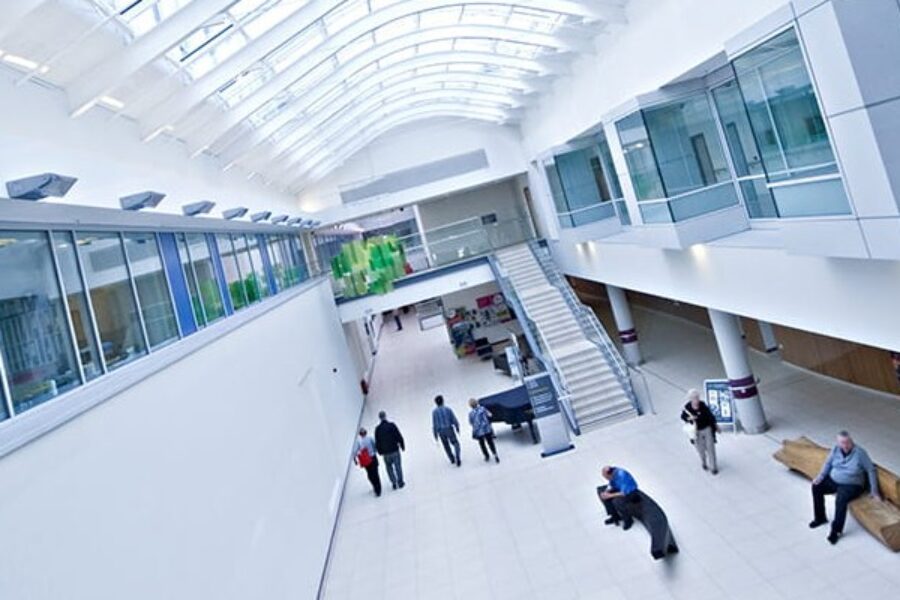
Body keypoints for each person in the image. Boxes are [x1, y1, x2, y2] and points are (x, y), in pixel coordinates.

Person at [810, 430, 881, 545]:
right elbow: (828, 464)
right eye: (842, 443)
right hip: (834, 480)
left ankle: (836, 531)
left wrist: (874, 491)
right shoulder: (835, 449)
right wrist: (820, 477)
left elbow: (871, 470)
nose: (846, 445)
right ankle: (820, 518)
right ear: (838, 443)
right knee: (816, 486)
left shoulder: (860, 453)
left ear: (851, 441)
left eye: (848, 442)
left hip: (852, 485)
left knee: (841, 498)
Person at [680, 389, 720, 474]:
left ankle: (713, 467)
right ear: (690, 399)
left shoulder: (703, 406)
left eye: (697, 397)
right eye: (694, 398)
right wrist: (690, 418)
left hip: (706, 429)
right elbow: (683, 417)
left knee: (710, 448)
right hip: (696, 431)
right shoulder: (687, 408)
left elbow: (710, 416)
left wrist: (716, 426)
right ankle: (704, 462)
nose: (696, 400)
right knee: (700, 449)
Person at [598, 465, 640, 530]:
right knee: (604, 496)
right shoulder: (612, 473)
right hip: (619, 489)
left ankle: (628, 520)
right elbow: (611, 484)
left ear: (609, 475)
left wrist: (610, 495)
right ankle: (615, 516)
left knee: (617, 502)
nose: (606, 479)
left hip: (630, 492)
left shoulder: (622, 476)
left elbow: (624, 493)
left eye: (606, 477)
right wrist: (606, 491)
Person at [375, 410, 406, 490]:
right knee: (398, 466)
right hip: (394, 450)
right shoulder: (391, 425)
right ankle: (400, 482)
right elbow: (398, 435)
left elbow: (377, 441)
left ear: (379, 418)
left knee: (389, 468)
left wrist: (380, 451)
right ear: (385, 416)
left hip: (386, 453)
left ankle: (394, 483)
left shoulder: (377, 429)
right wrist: (402, 445)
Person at [432, 395, 461, 466]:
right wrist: (457, 427)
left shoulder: (434, 412)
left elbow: (435, 423)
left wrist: (435, 434)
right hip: (449, 428)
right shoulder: (448, 409)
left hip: (441, 431)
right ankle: (457, 456)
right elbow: (453, 419)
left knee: (446, 445)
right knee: (455, 443)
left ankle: (452, 458)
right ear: (443, 401)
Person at [468, 398, 499, 463]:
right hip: (486, 428)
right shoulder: (483, 409)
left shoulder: (471, 413)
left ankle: (486, 456)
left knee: (482, 444)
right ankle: (495, 454)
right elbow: (490, 415)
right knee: (490, 442)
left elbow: (471, 422)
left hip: (479, 431)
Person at [352, 427, 382, 497]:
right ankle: (378, 490)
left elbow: (355, 452)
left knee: (370, 474)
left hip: (366, 460)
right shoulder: (370, 438)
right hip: (373, 458)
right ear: (366, 432)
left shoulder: (359, 442)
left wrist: (355, 458)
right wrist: (375, 451)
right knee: (376, 474)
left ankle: (375, 487)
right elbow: (375, 446)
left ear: (360, 434)